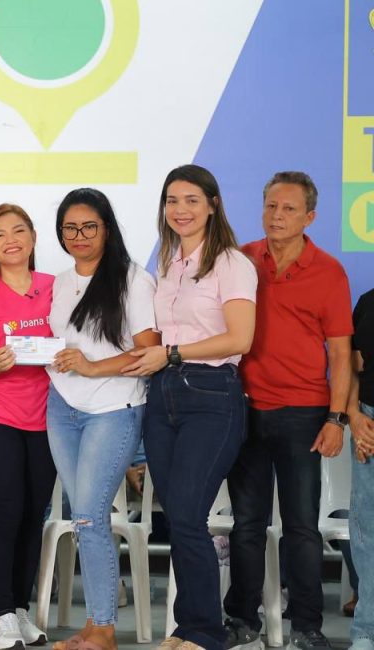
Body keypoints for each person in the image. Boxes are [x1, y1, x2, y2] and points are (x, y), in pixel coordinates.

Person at [123, 164, 257, 650]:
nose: (180, 210)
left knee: (187, 516)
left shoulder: (232, 263)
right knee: (177, 516)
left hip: (211, 395)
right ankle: (188, 628)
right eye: (172, 200)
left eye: (192, 200)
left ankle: (205, 631)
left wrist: (173, 354)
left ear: (213, 205)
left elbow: (240, 338)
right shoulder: (168, 263)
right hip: (163, 395)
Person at [223, 171, 352, 650]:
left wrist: (336, 418)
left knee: (301, 526)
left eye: (289, 209)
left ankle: (308, 627)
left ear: (310, 217)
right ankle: (241, 621)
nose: (277, 216)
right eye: (271, 206)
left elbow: (341, 354)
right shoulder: (240, 261)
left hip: (304, 414)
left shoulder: (329, 272)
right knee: (247, 524)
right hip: (245, 409)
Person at [46, 189, 160, 650]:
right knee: (84, 520)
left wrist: (93, 367)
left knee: (90, 517)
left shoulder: (133, 280)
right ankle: (94, 624)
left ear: (107, 229)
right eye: (69, 228)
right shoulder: (59, 282)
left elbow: (150, 352)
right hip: (62, 408)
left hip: (113, 410)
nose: (79, 236)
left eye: (89, 227)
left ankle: (105, 630)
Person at [0, 203, 55, 649]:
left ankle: (20, 610)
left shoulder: (55, 287)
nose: (10, 240)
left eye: (18, 231)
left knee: (34, 515)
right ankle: (0, 616)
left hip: (49, 417)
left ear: (33, 237)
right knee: (6, 510)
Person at [347, 288, 374, 650]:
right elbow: (351, 365)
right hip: (368, 419)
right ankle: (366, 630)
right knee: (367, 528)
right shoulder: (368, 302)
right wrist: (353, 415)